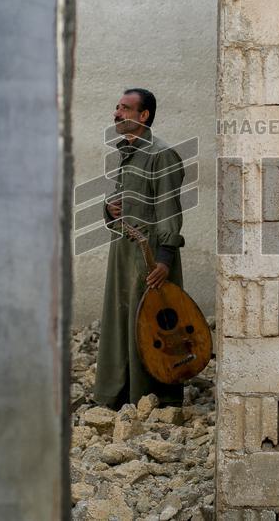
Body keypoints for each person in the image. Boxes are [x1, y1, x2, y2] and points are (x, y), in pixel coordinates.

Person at [93, 88, 187, 409]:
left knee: (148, 324)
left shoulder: (162, 156)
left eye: (125, 108)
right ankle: (117, 395)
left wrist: (164, 259)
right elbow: (120, 202)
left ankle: (152, 397)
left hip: (149, 259)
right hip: (122, 253)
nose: (116, 114)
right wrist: (109, 210)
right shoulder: (126, 153)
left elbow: (168, 211)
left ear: (143, 116)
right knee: (121, 321)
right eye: (116, 107)